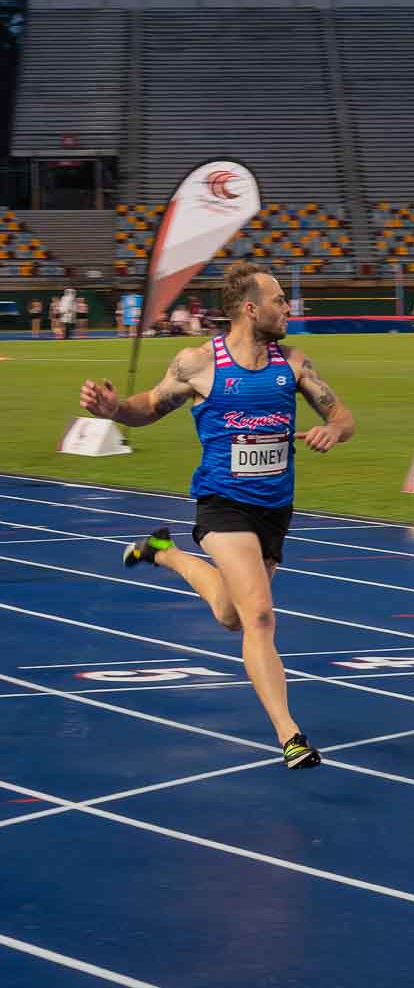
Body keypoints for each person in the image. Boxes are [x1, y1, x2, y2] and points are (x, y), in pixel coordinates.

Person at [79, 259, 355, 767]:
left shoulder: (292, 363)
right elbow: (149, 406)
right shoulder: (199, 363)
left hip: (275, 509)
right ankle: (290, 736)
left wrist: (333, 430)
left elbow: (341, 414)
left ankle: (165, 553)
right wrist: (114, 409)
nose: (288, 306)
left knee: (232, 615)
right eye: (279, 299)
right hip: (222, 503)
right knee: (260, 617)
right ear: (251, 309)